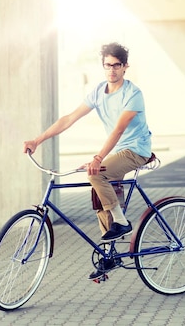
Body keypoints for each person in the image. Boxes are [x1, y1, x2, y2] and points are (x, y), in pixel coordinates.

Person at [23, 42, 152, 280]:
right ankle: (109, 255)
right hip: (118, 152)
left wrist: (98, 158)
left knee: (95, 173)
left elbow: (118, 131)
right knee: (99, 194)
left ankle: (122, 223)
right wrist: (38, 140)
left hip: (136, 150)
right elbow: (69, 118)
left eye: (116, 65)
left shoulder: (133, 94)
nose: (111, 70)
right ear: (102, 66)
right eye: (107, 65)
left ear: (125, 67)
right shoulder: (98, 91)